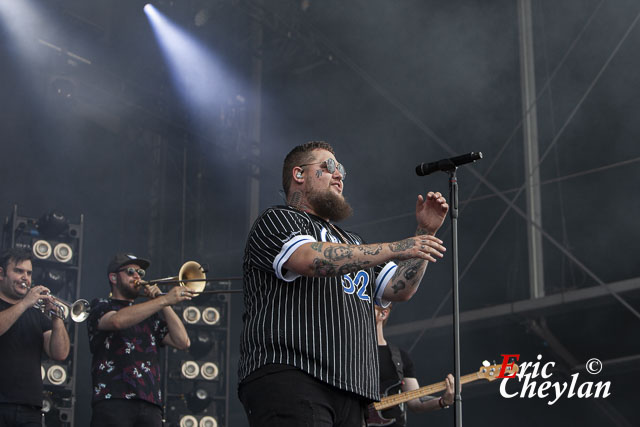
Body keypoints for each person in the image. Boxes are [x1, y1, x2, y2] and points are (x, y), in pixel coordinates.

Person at [238, 141, 449, 427]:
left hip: (351, 388)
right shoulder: (277, 220)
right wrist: (398, 247)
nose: (339, 175)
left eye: (342, 171)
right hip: (293, 374)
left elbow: (399, 288)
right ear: (299, 174)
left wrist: (425, 233)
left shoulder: (354, 242)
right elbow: (308, 259)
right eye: (329, 167)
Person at [87, 253, 193, 427]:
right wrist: (165, 299)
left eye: (140, 273)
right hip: (113, 398)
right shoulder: (100, 305)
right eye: (130, 272)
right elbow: (117, 320)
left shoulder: (150, 314)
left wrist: (162, 302)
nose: (137, 276)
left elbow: (182, 341)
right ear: (113, 277)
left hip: (150, 403)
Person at [0, 248, 70, 427]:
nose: (26, 278)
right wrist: (25, 303)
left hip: (29, 406)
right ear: (1, 274)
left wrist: (56, 317)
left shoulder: (37, 314)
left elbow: (60, 353)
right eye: (18, 271)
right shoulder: (26, 305)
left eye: (29, 273)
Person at [369, 304, 454, 426]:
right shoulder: (349, 352)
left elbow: (415, 403)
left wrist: (443, 401)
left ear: (383, 313)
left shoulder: (399, 356)